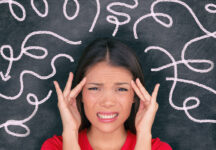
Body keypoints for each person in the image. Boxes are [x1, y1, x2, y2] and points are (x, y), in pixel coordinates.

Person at [41, 38, 172, 150]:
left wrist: (143, 135)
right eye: (94, 88)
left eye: (121, 89)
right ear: (80, 94)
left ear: (135, 95)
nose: (108, 102)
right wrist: (70, 133)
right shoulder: (55, 147)